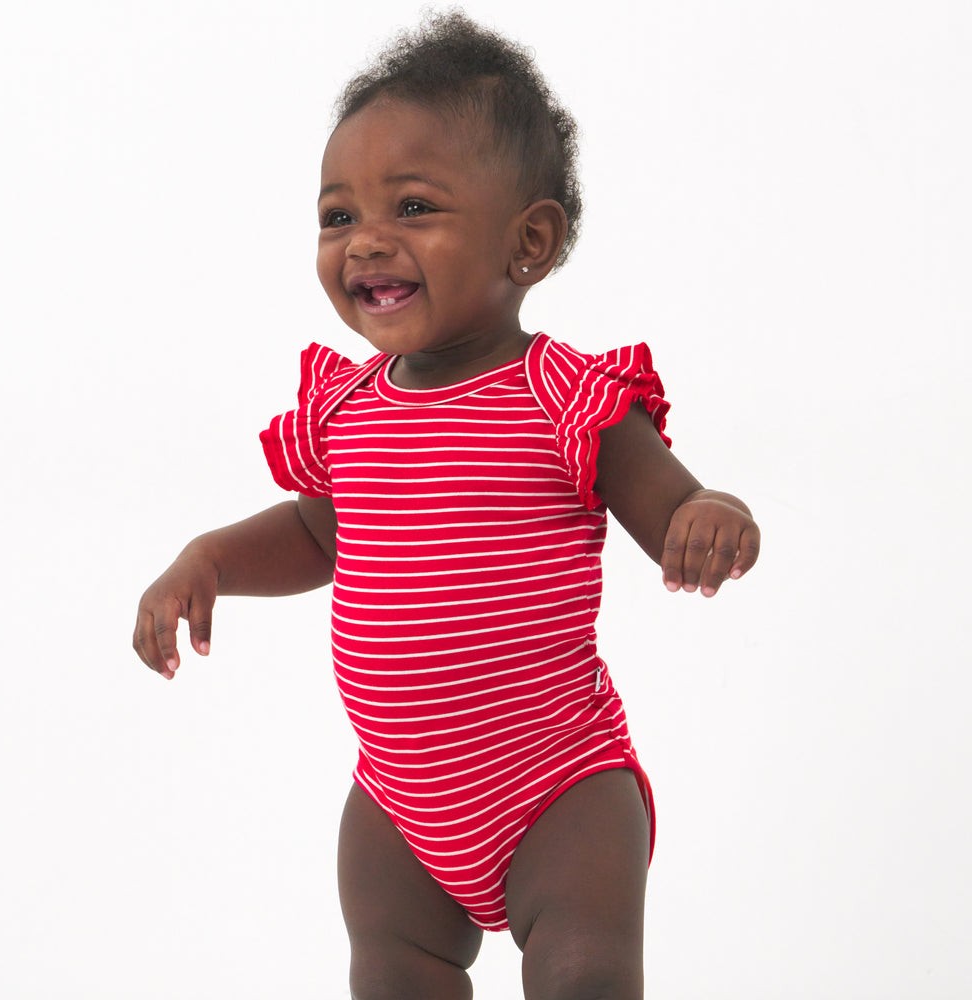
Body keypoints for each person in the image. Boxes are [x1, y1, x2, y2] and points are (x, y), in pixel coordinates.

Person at [132, 11, 760, 999]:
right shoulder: (344, 409)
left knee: (583, 970)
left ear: (529, 243)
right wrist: (208, 557)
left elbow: (669, 499)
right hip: (397, 798)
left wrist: (702, 515)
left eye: (413, 206)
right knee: (391, 967)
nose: (366, 242)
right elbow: (314, 531)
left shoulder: (563, 393)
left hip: (560, 783)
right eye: (338, 216)